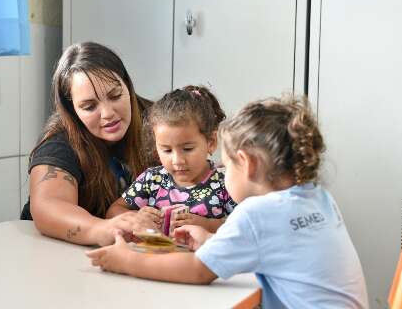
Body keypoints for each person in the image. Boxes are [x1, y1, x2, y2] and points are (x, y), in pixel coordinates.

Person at [86, 95, 369, 309]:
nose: (223, 169)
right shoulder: (318, 197)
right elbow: (270, 248)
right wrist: (208, 241)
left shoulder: (257, 212)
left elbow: (198, 272)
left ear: (247, 164)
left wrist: (125, 261)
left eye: (227, 163)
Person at [20, 41, 157, 246]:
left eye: (115, 96)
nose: (108, 114)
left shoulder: (158, 121)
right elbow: (48, 204)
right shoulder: (60, 140)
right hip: (54, 252)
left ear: (127, 85)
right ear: (72, 108)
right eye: (89, 106)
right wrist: (104, 229)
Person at [106, 86, 236, 233]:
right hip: (150, 255)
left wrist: (207, 225)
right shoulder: (152, 179)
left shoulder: (225, 183)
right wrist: (136, 216)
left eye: (187, 149)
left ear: (210, 142)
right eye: (167, 150)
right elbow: (113, 211)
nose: (177, 160)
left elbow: (244, 226)